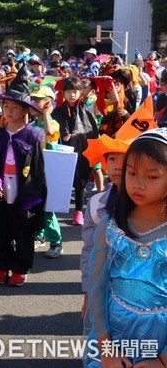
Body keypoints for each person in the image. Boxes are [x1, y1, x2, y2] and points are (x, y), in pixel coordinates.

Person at [85, 128, 167, 368]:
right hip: (115, 331)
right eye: (131, 173)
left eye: (152, 177)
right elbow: (97, 291)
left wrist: (162, 360)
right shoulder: (109, 228)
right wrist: (106, 348)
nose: (138, 184)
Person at [0, 94, 47, 287]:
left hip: (24, 189)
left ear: (25, 111)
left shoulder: (33, 136)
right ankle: (2, 265)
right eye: (6, 106)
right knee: (2, 229)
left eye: (14, 107)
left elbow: (37, 169)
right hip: (2, 187)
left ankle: (20, 268)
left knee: (23, 231)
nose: (9, 111)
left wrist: (31, 194)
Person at [80, 132, 132, 334]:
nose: (118, 165)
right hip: (104, 288)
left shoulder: (151, 205)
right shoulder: (96, 203)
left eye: (125, 158)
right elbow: (89, 251)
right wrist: (87, 292)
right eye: (112, 158)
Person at [52, 77, 99, 225]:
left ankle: (79, 212)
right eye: (69, 91)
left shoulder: (85, 109)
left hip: (81, 150)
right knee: (61, 180)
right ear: (63, 93)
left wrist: (74, 135)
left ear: (80, 93)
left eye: (75, 92)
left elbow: (91, 130)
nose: (72, 95)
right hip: (62, 150)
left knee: (80, 183)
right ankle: (55, 209)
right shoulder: (57, 111)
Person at [29, 85, 63, 258]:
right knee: (36, 205)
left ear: (47, 103)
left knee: (49, 209)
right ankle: (40, 235)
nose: (33, 103)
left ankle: (56, 242)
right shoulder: (32, 124)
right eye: (32, 99)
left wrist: (47, 114)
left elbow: (50, 132)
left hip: (49, 172)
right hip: (35, 172)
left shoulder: (53, 123)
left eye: (37, 100)